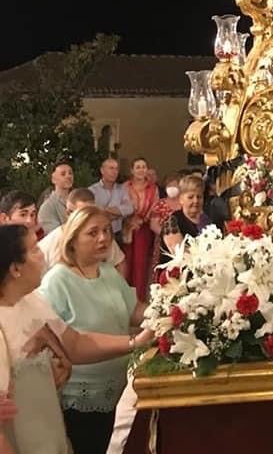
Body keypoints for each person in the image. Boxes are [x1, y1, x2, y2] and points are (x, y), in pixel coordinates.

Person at [0, 224, 153, 454]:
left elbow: (75, 343)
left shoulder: (31, 301)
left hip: (49, 430)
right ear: (15, 269)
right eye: (34, 249)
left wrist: (136, 342)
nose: (43, 253)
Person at [38, 188, 125, 273]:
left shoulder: (103, 237)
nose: (90, 219)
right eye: (84, 215)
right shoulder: (49, 244)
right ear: (68, 213)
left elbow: (119, 263)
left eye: (92, 213)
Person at [122, 157, 158, 298]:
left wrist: (142, 220)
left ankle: (139, 298)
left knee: (141, 264)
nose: (141, 170)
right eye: (138, 167)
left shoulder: (153, 188)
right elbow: (122, 204)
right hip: (127, 227)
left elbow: (154, 207)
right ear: (132, 170)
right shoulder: (125, 187)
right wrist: (131, 219)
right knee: (126, 262)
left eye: (144, 166)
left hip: (144, 228)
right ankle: (125, 297)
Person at [89, 158, 133, 245]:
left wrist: (104, 210)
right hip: (99, 234)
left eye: (116, 169)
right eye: (111, 168)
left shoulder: (122, 189)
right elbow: (93, 211)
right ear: (102, 170)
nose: (114, 172)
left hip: (117, 234)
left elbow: (129, 208)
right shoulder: (92, 190)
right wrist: (118, 213)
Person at [37, 159, 74, 234]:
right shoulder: (47, 207)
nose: (68, 176)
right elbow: (55, 235)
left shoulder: (79, 201)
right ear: (53, 179)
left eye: (70, 173)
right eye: (63, 174)